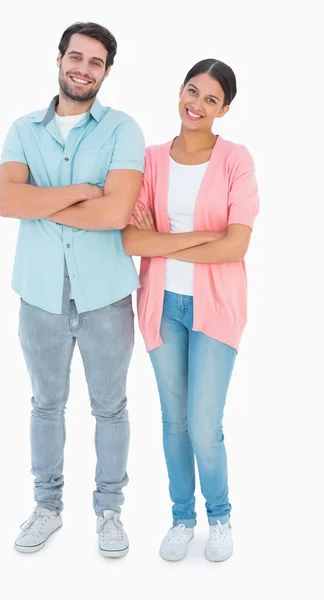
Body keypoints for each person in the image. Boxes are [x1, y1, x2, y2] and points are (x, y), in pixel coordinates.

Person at [0, 22, 145, 556]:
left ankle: (109, 511)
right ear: (59, 59)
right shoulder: (22, 130)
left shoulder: (123, 130)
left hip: (105, 295)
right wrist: (84, 192)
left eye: (96, 62)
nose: (83, 69)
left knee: (110, 407)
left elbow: (116, 212)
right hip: (39, 295)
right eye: (76, 57)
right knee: (45, 405)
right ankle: (47, 507)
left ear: (106, 71)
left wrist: (47, 199)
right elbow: (8, 202)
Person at [122, 58, 259, 562]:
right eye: (191, 91)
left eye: (210, 99)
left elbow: (235, 248)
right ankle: (182, 517)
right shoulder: (152, 159)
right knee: (173, 421)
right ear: (180, 91)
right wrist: (202, 237)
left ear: (225, 109)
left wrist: (165, 242)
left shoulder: (236, 160)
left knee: (204, 423)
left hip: (216, 307)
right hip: (161, 305)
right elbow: (131, 238)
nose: (196, 104)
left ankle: (219, 516)